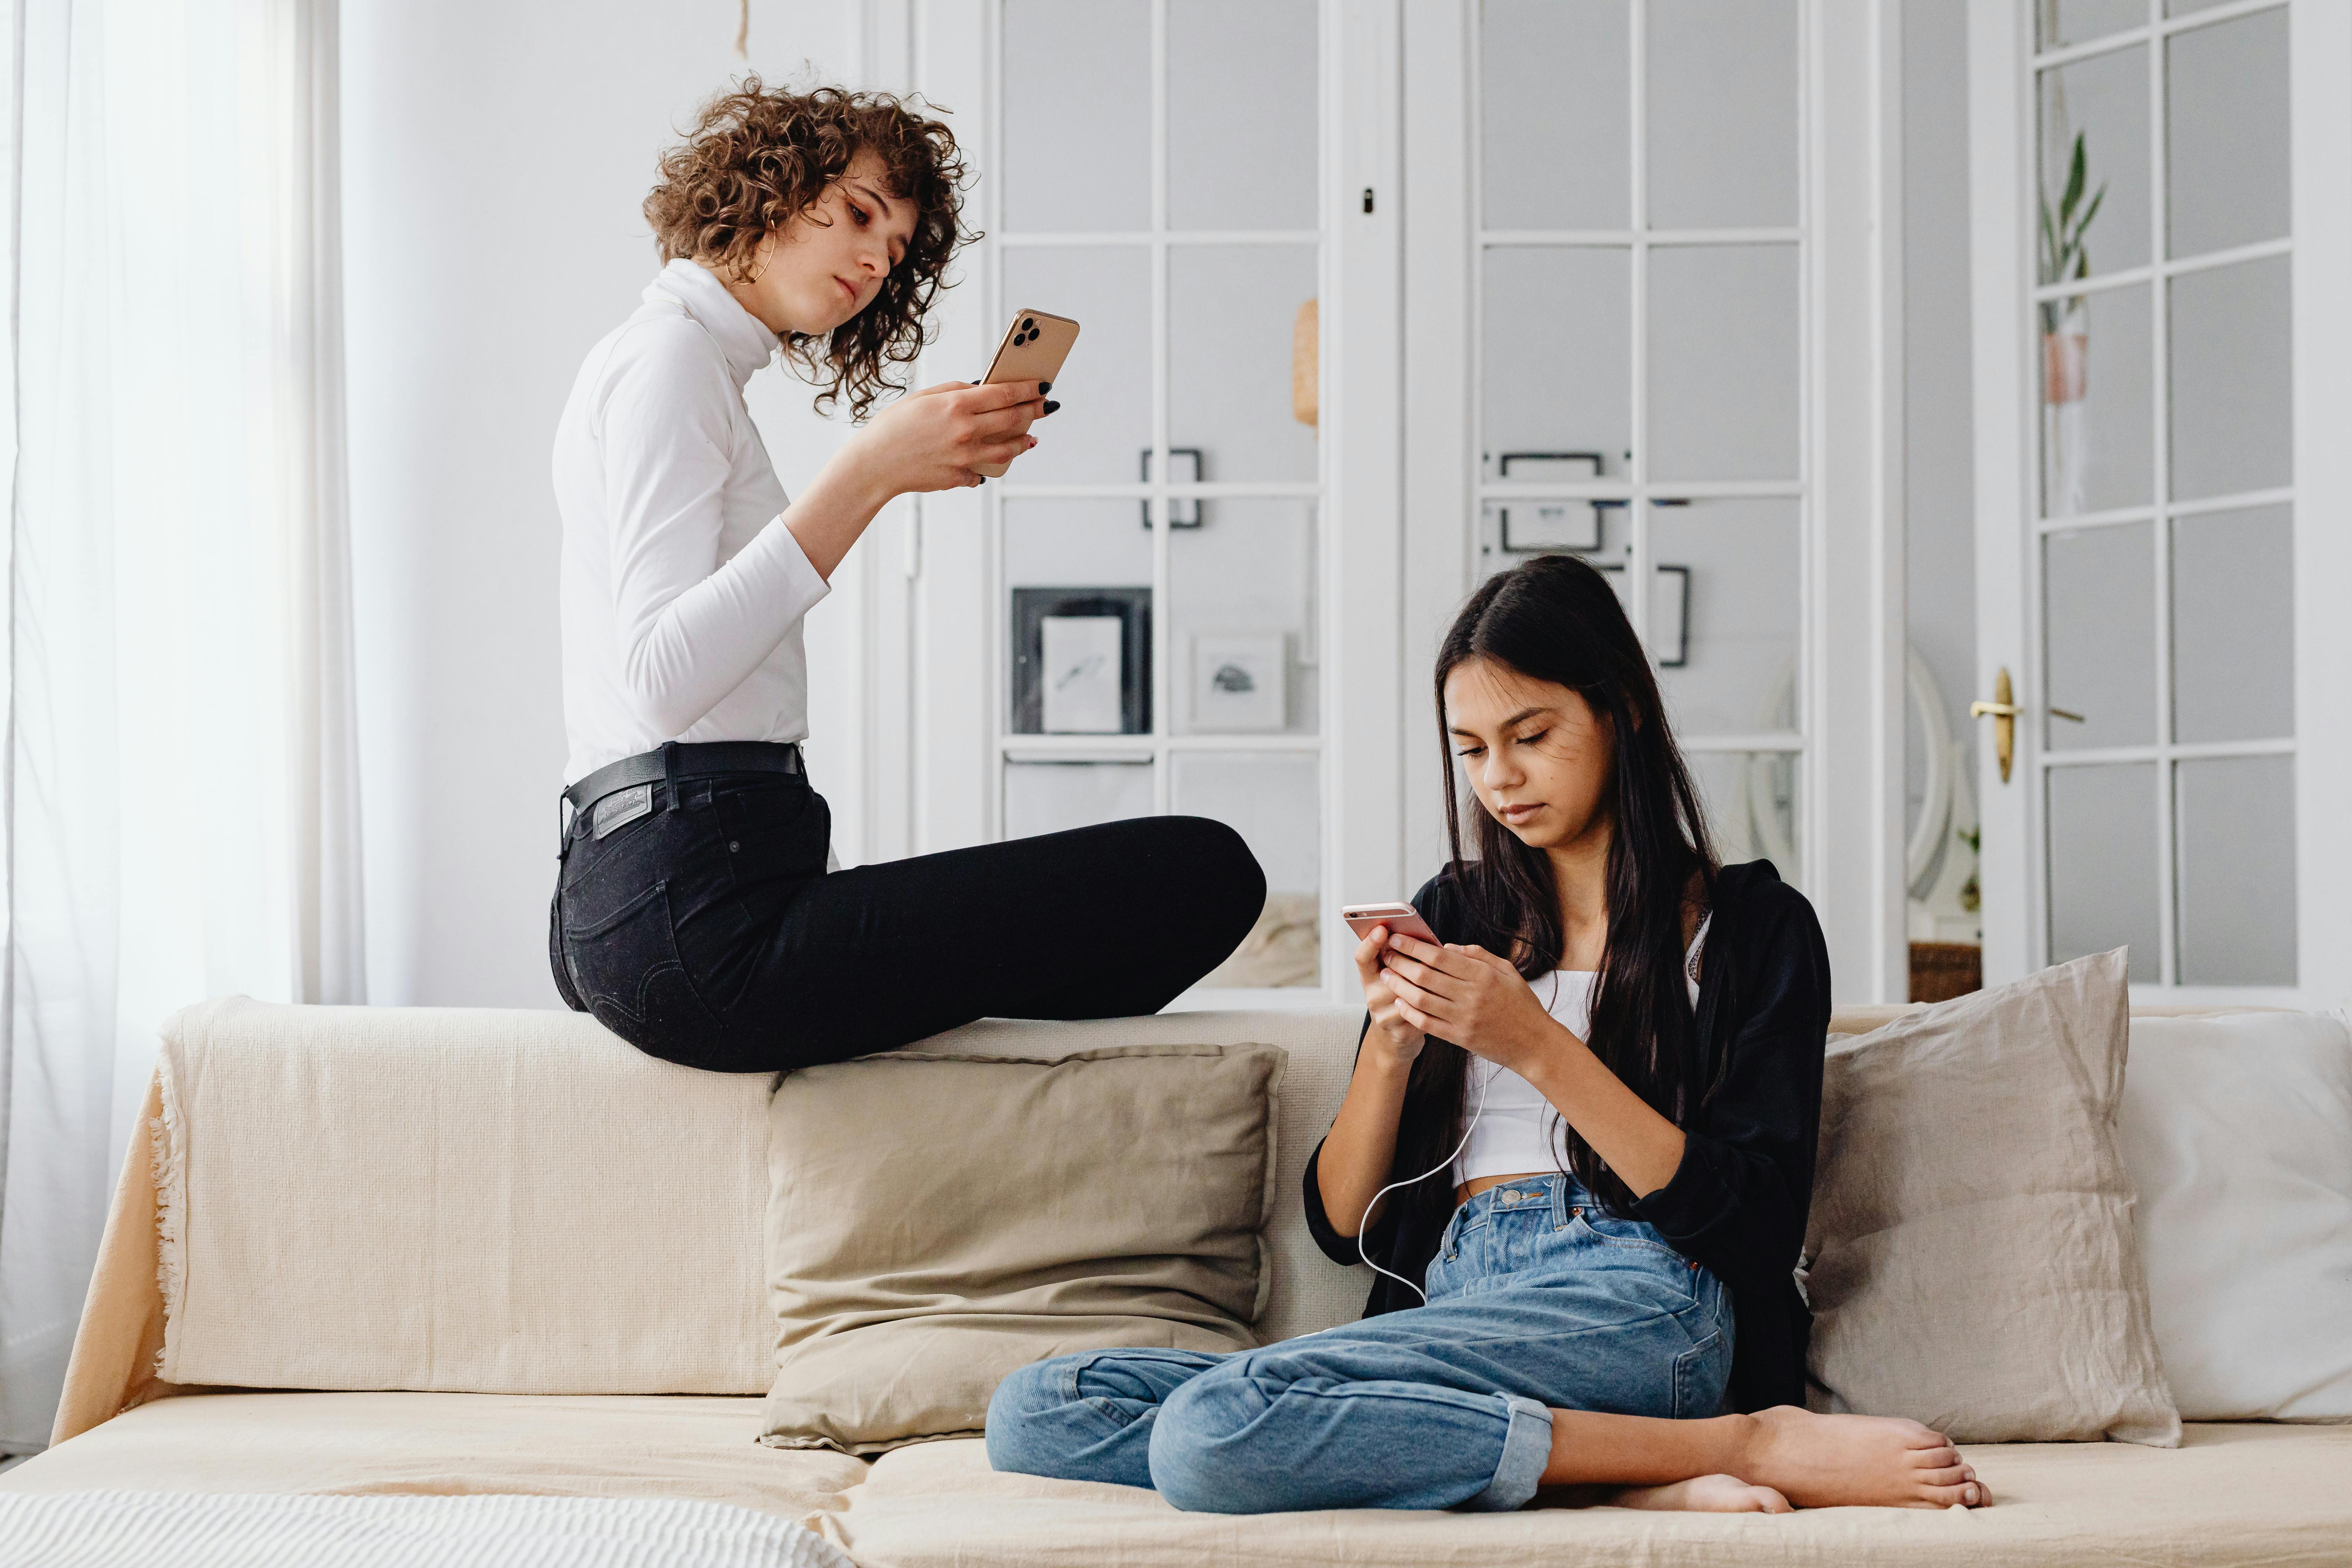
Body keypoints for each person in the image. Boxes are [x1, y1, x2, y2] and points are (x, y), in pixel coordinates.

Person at [986, 554, 1990, 1514]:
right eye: (1471, 750)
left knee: (1212, 1431)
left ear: (1623, 710)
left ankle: (1744, 1440)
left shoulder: (1753, 929)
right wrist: (1391, 1044)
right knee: (1038, 1411)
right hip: (1464, 1288)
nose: (1500, 780)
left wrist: (1534, 1042)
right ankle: (1612, 1468)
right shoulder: (1458, 913)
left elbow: (1757, 1226)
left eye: (1531, 735)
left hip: (1642, 1296)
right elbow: (1346, 1229)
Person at [550, 82, 1263, 1072]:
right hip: (692, 906)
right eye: (855, 214)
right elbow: (658, 679)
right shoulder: (668, 357)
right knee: (1204, 874)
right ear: (765, 186)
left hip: (669, 886)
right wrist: (870, 472)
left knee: (1140, 911)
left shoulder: (688, 366)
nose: (876, 261)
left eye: (896, 249)